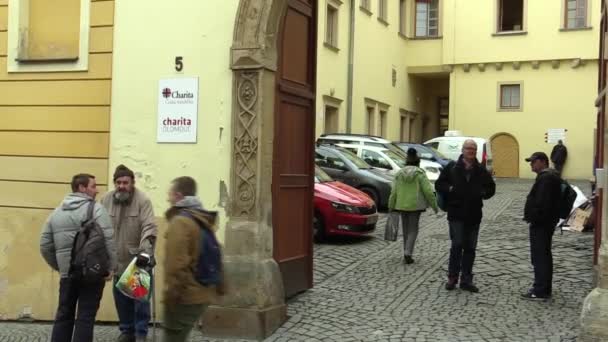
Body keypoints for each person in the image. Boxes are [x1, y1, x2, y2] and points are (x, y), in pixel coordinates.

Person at [40, 174, 116, 342]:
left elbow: (45, 245)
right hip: (92, 274)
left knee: (63, 315)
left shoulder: (57, 212)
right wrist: (111, 268)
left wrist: (61, 266)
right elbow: (109, 240)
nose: (97, 190)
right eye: (93, 186)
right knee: (85, 318)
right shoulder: (96, 209)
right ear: (82, 188)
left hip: (68, 274)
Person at [163, 176, 225, 342]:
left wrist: (171, 297)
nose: (167, 198)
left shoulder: (180, 222)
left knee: (173, 337)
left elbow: (176, 266)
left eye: (169, 193)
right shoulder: (200, 217)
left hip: (186, 296)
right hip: (203, 292)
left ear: (178, 195)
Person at [101, 165, 157, 342]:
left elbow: (149, 227)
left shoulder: (143, 201)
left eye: (125, 182)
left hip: (136, 260)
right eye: (118, 182)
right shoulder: (105, 200)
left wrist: (145, 252)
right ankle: (127, 331)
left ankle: (141, 333)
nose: (121, 186)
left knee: (140, 300)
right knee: (121, 299)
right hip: (116, 260)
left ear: (132, 183)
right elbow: (99, 227)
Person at [435, 139, 495, 293]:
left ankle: (466, 279)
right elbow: (439, 184)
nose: (471, 151)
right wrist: (450, 188)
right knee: (457, 245)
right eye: (468, 148)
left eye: (473, 149)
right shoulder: (452, 167)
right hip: (456, 213)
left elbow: (491, 188)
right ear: (462, 150)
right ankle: (452, 277)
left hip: (474, 214)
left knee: (470, 247)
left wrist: (483, 193)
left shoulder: (481, 170)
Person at [388, 148, 438, 264]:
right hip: (415, 206)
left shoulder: (399, 173)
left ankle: (406, 250)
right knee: (413, 230)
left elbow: (394, 191)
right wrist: (434, 206)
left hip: (401, 205)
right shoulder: (420, 173)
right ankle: (408, 253)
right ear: (417, 162)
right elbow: (428, 191)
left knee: (406, 229)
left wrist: (391, 205)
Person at [522, 152, 562, 300]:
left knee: (540, 256)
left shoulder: (546, 178)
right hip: (545, 222)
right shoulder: (549, 176)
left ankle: (540, 290)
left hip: (542, 224)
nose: (531, 165)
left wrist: (534, 217)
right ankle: (544, 287)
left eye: (533, 162)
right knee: (543, 255)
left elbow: (542, 203)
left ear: (543, 162)